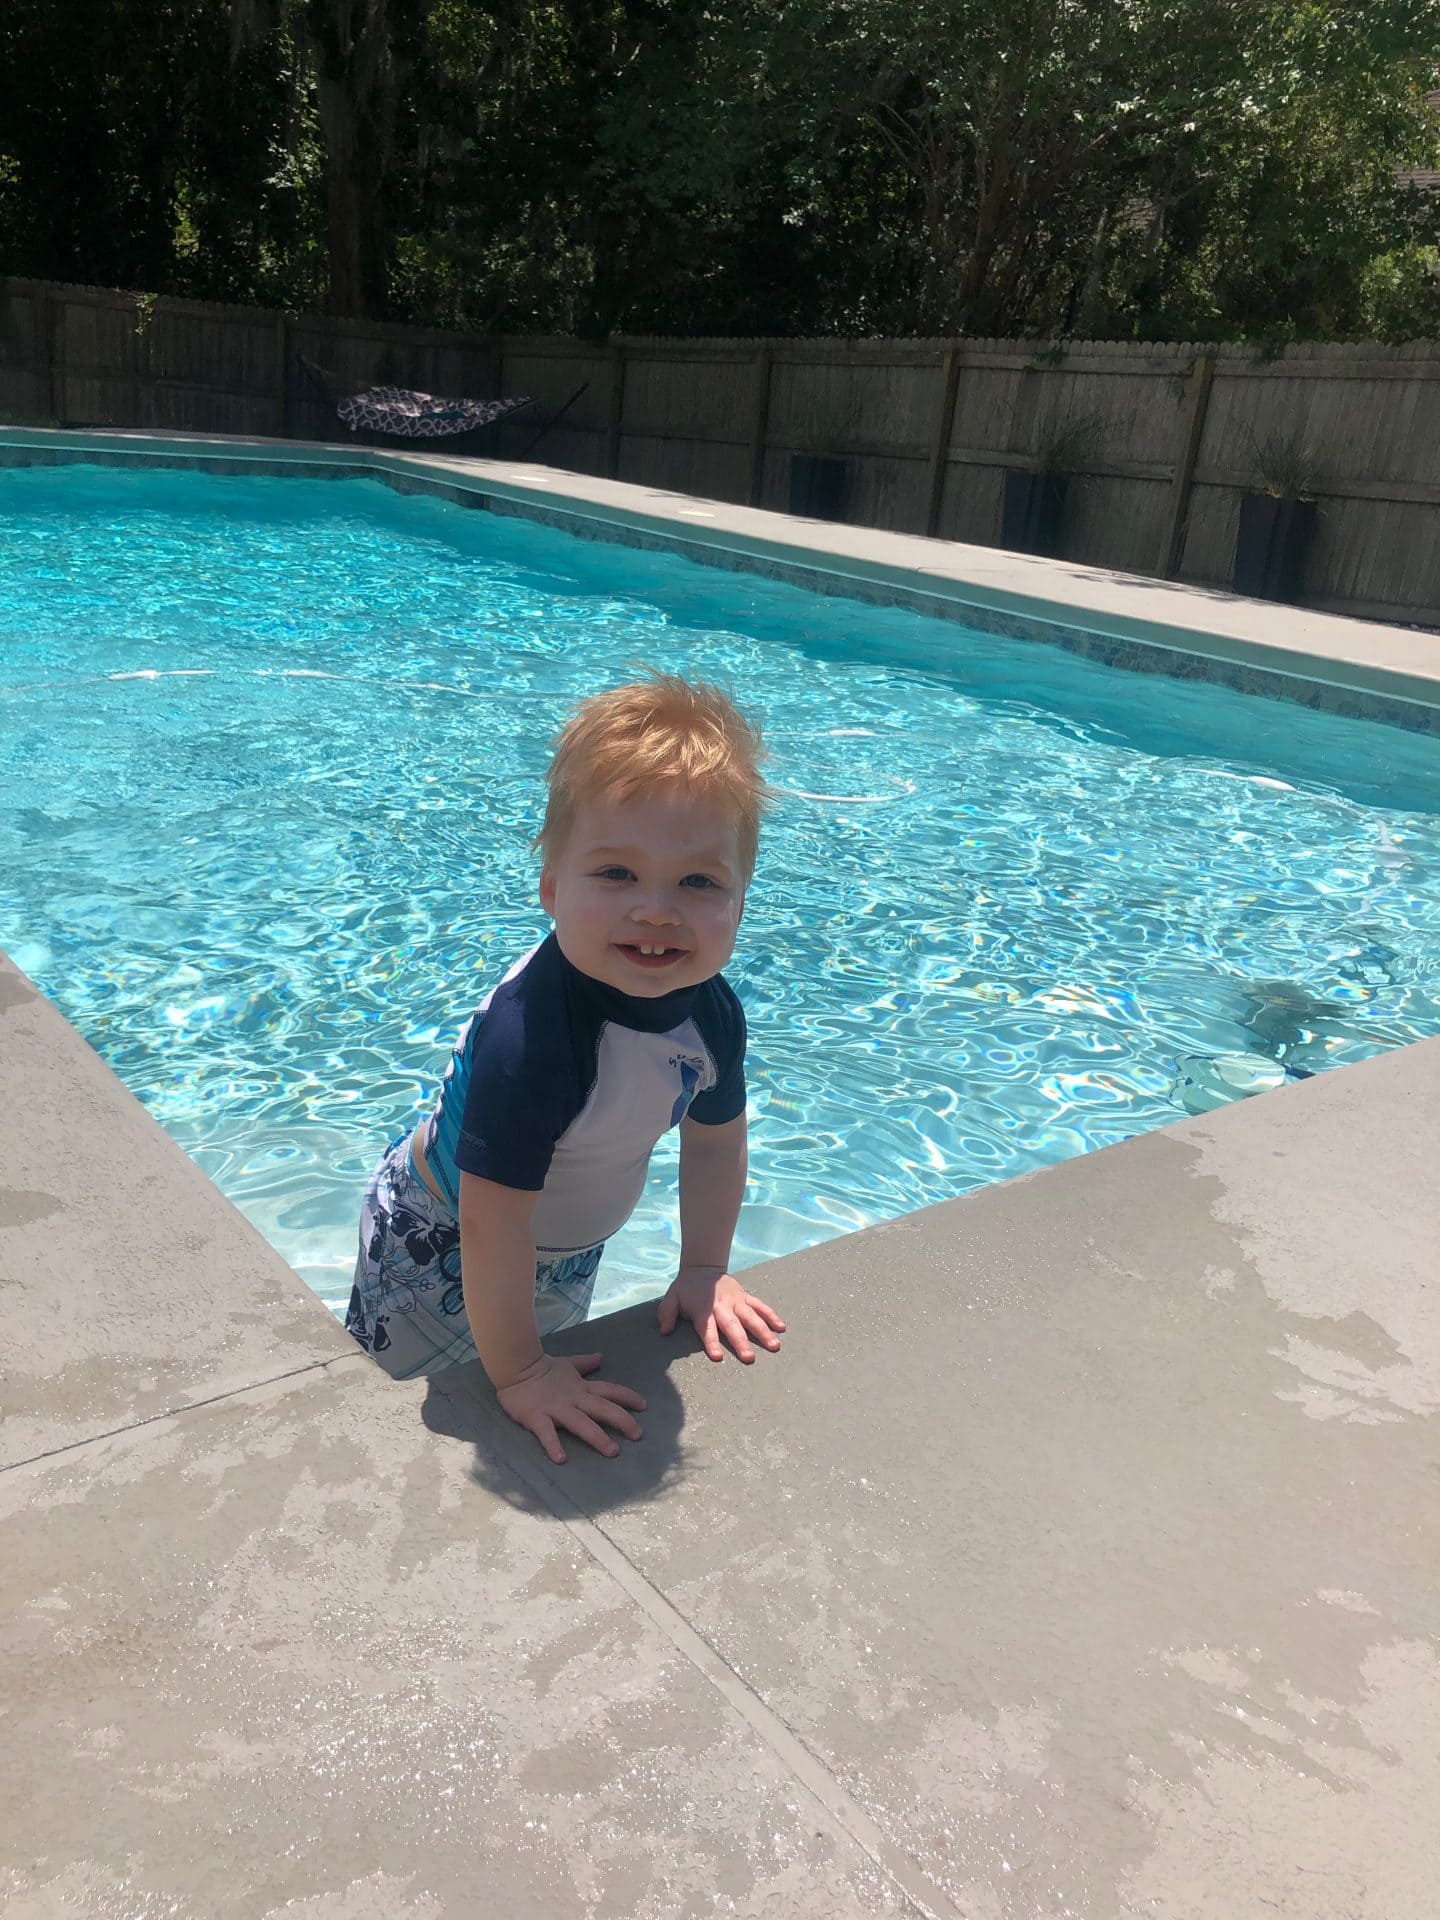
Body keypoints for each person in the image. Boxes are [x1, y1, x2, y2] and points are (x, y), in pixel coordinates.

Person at [345, 671, 785, 1464]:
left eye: (698, 881)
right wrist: (520, 1374)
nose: (656, 909)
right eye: (616, 874)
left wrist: (704, 1269)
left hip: (558, 1247)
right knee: (405, 1417)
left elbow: (715, 1143)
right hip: (440, 1234)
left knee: (534, 1378)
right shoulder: (537, 1036)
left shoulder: (710, 1014)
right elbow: (491, 1219)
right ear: (551, 888)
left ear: (741, 901)